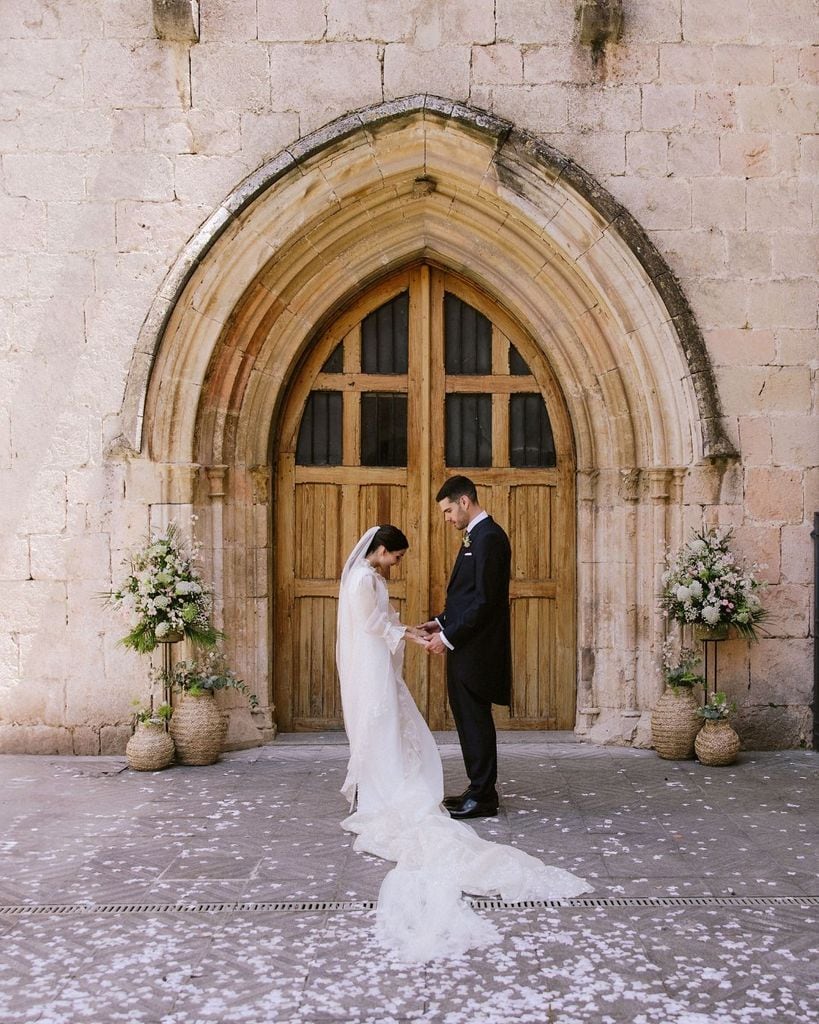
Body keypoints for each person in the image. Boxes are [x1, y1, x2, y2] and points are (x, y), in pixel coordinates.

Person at [336, 524, 590, 962]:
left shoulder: (373, 577)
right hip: (372, 662)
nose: (398, 563)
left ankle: (427, 785)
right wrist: (414, 637)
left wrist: (417, 628)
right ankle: (384, 787)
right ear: (379, 550)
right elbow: (372, 625)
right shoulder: (362, 578)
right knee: (380, 722)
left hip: (383, 660)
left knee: (392, 723)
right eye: (396, 556)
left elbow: (388, 621)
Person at [420, 475, 511, 820]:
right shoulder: (477, 536)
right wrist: (440, 622)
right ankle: (477, 787)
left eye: (447, 511)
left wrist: (447, 638)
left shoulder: (489, 537)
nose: (446, 519)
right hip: (464, 645)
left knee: (476, 719)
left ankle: (484, 795)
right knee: (468, 719)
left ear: (463, 501)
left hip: (477, 649)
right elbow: (467, 596)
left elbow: (485, 601)